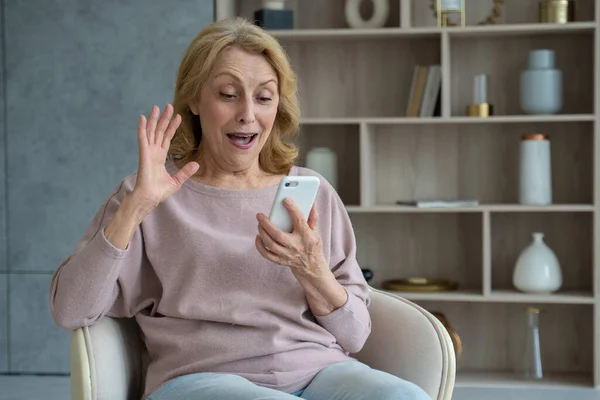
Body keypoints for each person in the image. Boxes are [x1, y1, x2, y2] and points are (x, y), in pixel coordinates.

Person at [49, 17, 430, 400]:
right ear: (195, 99)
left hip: (319, 371)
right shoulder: (149, 193)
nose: (248, 113)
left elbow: (356, 334)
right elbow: (70, 309)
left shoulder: (310, 193)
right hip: (199, 379)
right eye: (228, 94)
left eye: (264, 97)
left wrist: (312, 270)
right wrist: (134, 209)